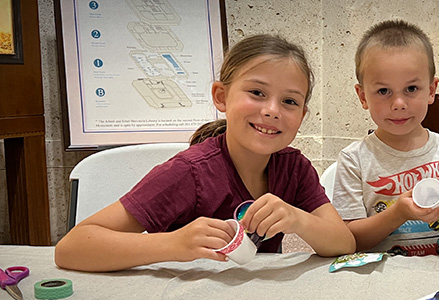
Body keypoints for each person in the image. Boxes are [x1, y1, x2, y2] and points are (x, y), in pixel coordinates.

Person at [55, 34, 355, 272]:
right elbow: (72, 248)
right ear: (221, 97)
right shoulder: (189, 172)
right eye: (257, 93)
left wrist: (298, 219)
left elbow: (343, 243)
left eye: (289, 101)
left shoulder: (294, 168)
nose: (272, 111)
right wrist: (174, 244)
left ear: (302, 115)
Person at [332, 20, 439, 257]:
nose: (399, 104)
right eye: (383, 91)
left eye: (411, 89)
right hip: (378, 282)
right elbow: (350, 240)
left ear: (431, 90)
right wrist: (398, 213)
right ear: (363, 96)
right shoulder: (354, 159)